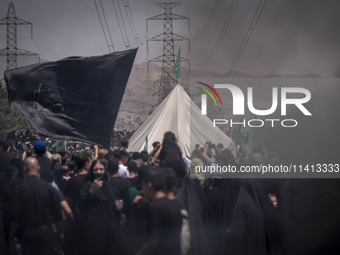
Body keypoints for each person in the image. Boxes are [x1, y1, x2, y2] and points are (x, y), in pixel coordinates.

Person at [12, 157, 62, 255]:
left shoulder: (18, 188)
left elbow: (14, 216)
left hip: (26, 234)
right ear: (39, 168)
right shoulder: (48, 187)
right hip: (46, 234)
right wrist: (60, 233)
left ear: (24, 169)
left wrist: (12, 236)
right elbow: (58, 214)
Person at [77, 159, 121, 255]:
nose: (98, 172)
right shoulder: (87, 186)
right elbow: (80, 206)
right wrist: (91, 192)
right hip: (94, 230)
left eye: (101, 169)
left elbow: (116, 201)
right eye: (96, 169)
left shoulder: (109, 186)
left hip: (109, 230)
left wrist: (119, 206)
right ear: (92, 171)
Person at [136, 167, 183, 255]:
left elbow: (153, 241)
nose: (143, 189)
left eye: (143, 185)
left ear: (149, 185)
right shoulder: (176, 203)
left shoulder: (157, 207)